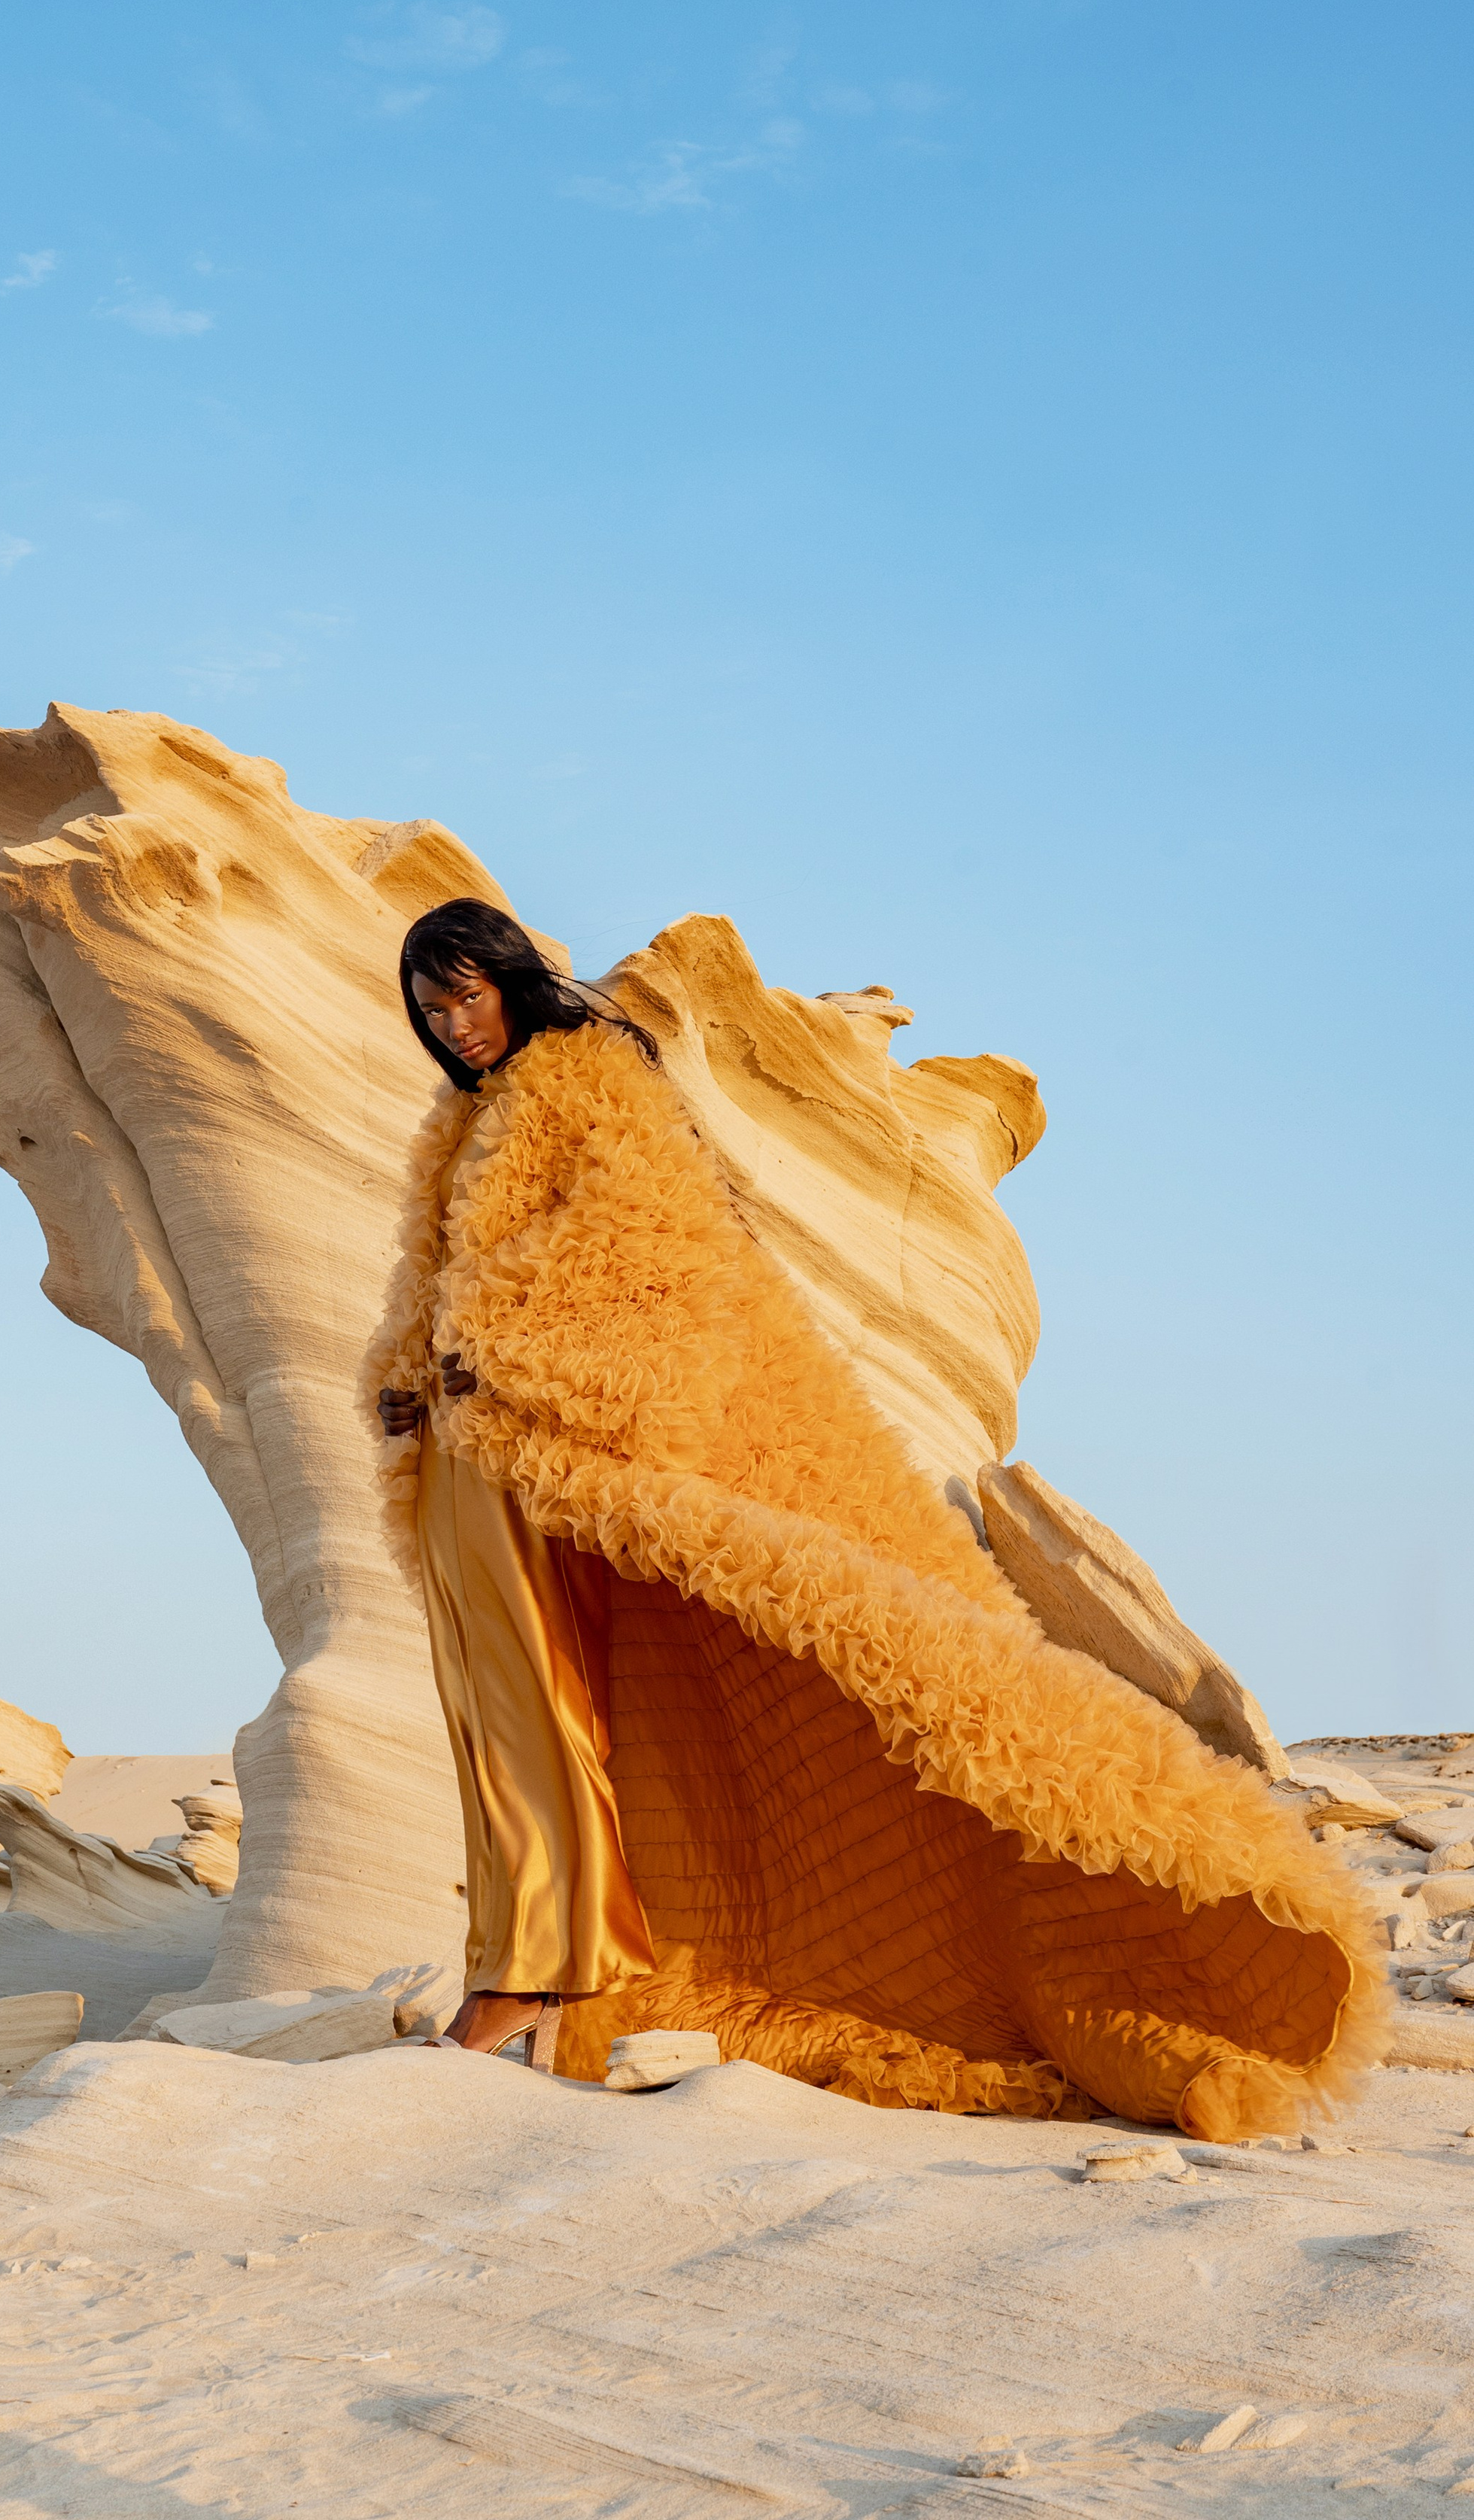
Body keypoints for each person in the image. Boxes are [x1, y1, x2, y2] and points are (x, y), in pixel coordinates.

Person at [362, 898, 1378, 2132]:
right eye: (431, 1007)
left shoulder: (587, 1079)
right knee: (504, 1713)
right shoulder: (468, 1117)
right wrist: (414, 1377)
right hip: (473, 1455)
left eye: (467, 993)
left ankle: (530, 1970)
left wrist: (506, 1352)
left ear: (516, 980)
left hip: (541, 1435)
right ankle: (542, 1961)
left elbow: (656, 1247)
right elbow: (442, 1274)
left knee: (548, 1715)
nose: (452, 1024)